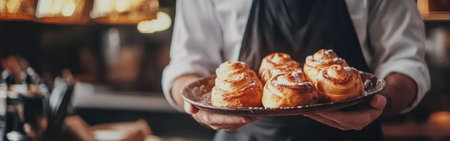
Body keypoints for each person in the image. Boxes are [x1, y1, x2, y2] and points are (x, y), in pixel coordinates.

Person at [162, 0, 430, 140]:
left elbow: (406, 61)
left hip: (353, 136)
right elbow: (186, 66)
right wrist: (197, 106)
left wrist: (382, 101)